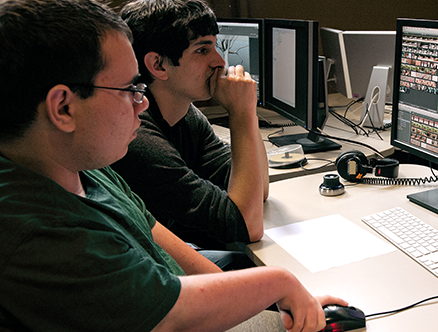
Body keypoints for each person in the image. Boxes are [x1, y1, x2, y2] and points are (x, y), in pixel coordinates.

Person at [0, 0, 345, 331]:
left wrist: (264, 301)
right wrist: (276, 284)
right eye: (128, 88)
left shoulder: (79, 164)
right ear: (63, 108)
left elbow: (153, 235)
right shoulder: (40, 234)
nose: (142, 101)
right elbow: (170, 320)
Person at [110, 0, 269, 253]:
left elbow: (257, 191)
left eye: (215, 47)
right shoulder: (137, 137)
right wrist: (240, 113)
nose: (219, 61)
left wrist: (248, 113)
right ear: (158, 65)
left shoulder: (187, 115)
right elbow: (247, 226)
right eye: (202, 50)